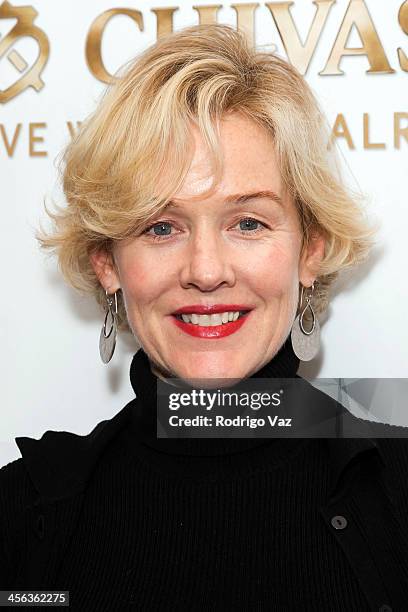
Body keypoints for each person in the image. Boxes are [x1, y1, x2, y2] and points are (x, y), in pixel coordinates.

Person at [1, 24, 408, 611]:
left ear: (311, 250)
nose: (206, 270)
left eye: (248, 222)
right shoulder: (17, 518)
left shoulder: (401, 491)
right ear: (107, 262)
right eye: (161, 227)